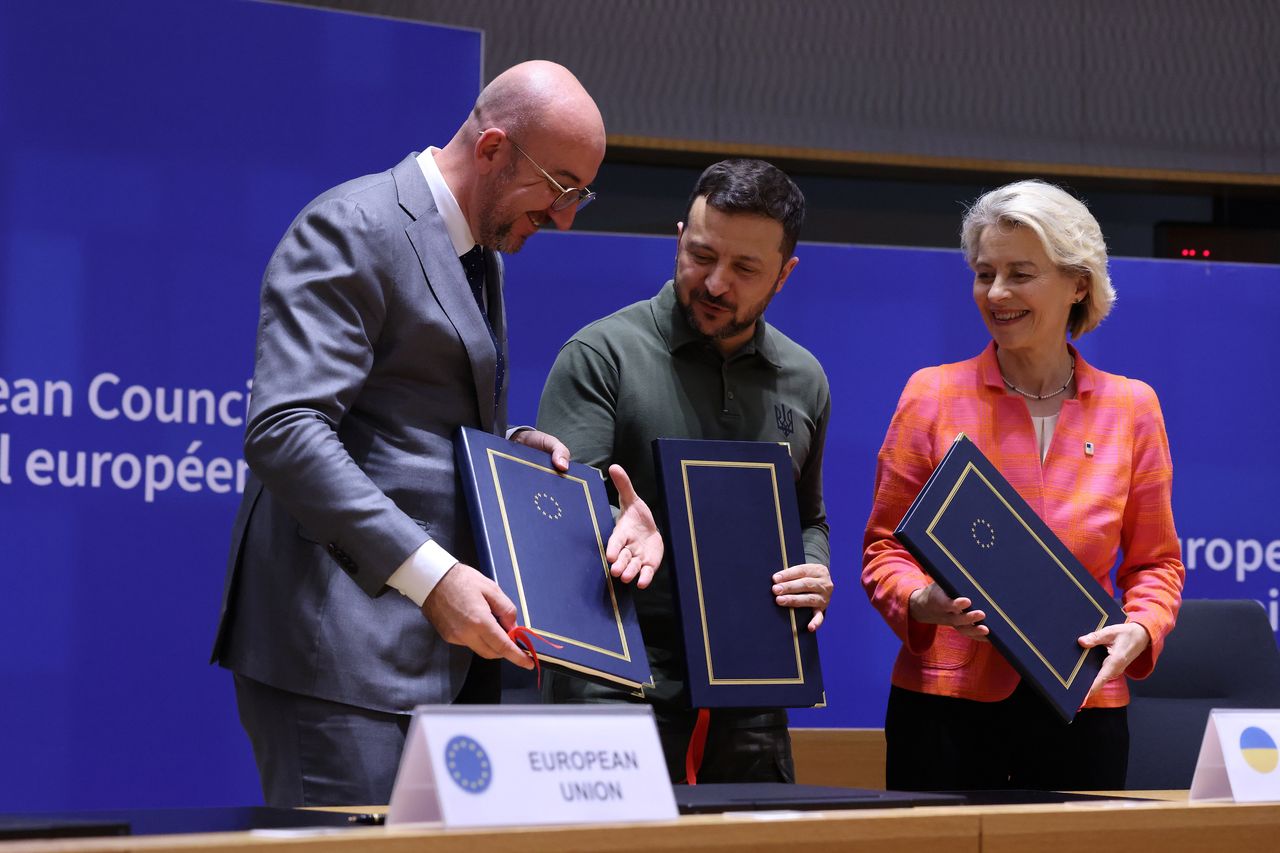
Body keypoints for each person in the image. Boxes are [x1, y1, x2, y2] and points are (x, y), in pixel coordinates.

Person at [210, 61, 662, 808]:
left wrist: (506, 449)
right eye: (559, 188)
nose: (566, 217)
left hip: (436, 661)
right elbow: (286, 429)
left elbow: (405, 421)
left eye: (581, 194)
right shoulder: (352, 226)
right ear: (491, 149)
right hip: (338, 656)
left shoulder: (479, 250)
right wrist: (434, 576)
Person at [861, 179, 1185, 791]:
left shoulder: (1133, 408)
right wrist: (920, 600)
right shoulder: (929, 395)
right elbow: (884, 550)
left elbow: (1157, 565)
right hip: (944, 708)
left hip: (1083, 705)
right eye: (985, 274)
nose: (997, 293)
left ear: (1078, 283)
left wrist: (1141, 628)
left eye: (1021, 273)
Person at [536, 158, 834, 784]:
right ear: (679, 238)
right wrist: (619, 520)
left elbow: (808, 518)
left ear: (785, 275)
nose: (716, 283)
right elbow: (556, 514)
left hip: (751, 685)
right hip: (614, 684)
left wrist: (815, 568)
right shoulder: (601, 354)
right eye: (701, 255)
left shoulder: (805, 380)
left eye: (745, 269)